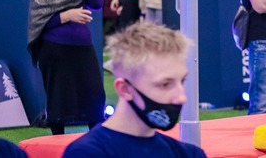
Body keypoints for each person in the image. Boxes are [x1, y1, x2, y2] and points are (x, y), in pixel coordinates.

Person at [62, 22, 206, 158]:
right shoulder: (87, 153)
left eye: (182, 81)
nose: (181, 97)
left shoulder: (189, 154)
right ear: (125, 89)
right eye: (165, 85)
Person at [27, 0, 105, 134]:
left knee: (94, 96)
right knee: (59, 99)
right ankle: (57, 140)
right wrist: (67, 15)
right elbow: (38, 21)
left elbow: (97, 3)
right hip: (55, 49)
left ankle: (97, 140)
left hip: (83, 48)